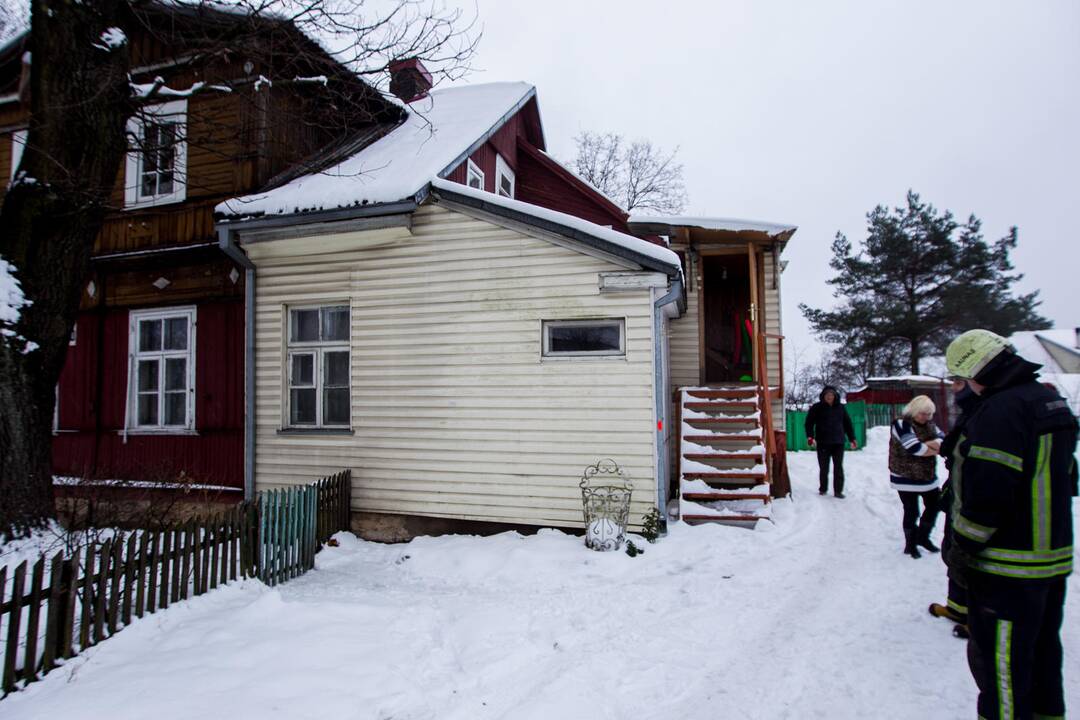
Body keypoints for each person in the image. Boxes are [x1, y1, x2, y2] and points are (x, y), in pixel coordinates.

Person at [944, 329, 1077, 720]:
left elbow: (989, 492)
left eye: (964, 377)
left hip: (1007, 566)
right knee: (1042, 658)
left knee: (1002, 667)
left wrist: (963, 547)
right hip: (1050, 561)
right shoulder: (1050, 401)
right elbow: (1068, 477)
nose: (965, 387)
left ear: (977, 369)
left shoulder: (1000, 412)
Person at [928, 378, 982, 638]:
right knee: (953, 550)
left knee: (972, 557)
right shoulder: (971, 413)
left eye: (959, 383)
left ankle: (979, 617)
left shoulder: (988, 415)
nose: (953, 389)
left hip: (975, 499)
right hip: (958, 494)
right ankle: (958, 607)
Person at [888, 395, 944, 558]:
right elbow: (914, 448)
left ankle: (923, 537)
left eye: (928, 414)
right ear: (914, 410)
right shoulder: (901, 424)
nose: (925, 417)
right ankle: (910, 544)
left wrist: (929, 447)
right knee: (912, 511)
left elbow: (944, 441)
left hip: (927, 477)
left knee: (934, 506)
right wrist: (932, 447)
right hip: (905, 476)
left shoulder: (930, 425)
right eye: (922, 413)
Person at [805, 385, 857, 497]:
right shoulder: (817, 407)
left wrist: (852, 438)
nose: (829, 397)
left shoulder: (841, 408)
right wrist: (810, 436)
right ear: (823, 396)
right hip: (823, 442)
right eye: (827, 395)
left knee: (838, 467)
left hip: (838, 442)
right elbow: (809, 423)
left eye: (831, 395)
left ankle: (838, 491)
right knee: (824, 467)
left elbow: (847, 424)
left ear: (835, 396)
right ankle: (823, 489)